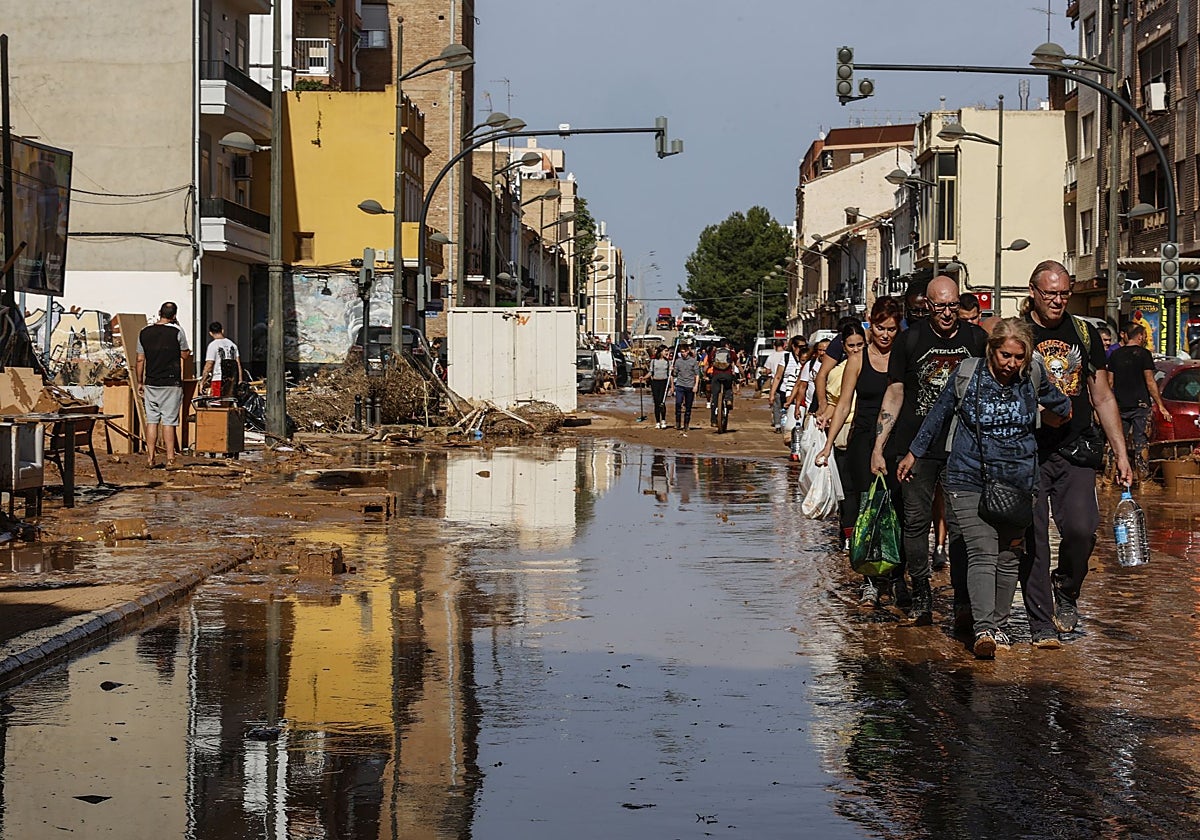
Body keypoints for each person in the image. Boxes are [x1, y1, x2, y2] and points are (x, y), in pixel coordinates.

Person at [898, 318, 1073, 657]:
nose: (1011, 364)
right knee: (982, 551)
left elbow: (1064, 407)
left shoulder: (1033, 375)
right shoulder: (968, 374)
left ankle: (1000, 624)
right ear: (991, 350)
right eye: (1005, 355)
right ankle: (984, 630)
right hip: (968, 476)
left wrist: (1053, 414)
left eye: (1018, 357)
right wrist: (913, 454)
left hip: (1019, 480)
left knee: (1009, 557)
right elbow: (938, 414)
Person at [1023, 260, 1132, 648]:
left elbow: (1102, 395)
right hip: (1028, 451)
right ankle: (1040, 623)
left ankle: (1066, 590)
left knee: (1083, 531)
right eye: (1049, 293)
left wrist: (1121, 454)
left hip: (1076, 447)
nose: (1057, 300)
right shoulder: (1018, 333)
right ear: (1033, 292)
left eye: (1063, 293)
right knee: (1032, 539)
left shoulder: (1084, 332)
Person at [871, 275, 988, 626]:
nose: (948, 313)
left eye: (953, 305)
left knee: (962, 524)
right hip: (914, 448)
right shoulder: (910, 339)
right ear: (928, 305)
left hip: (963, 449)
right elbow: (895, 392)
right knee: (916, 521)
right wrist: (879, 446)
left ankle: (963, 600)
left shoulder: (977, 339)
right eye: (940, 306)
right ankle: (921, 590)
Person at [815, 296, 904, 606]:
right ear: (871, 323)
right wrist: (828, 444)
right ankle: (869, 579)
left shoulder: (903, 356)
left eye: (891, 329)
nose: (885, 335)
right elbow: (843, 405)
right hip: (862, 441)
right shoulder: (857, 359)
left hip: (896, 442)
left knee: (896, 509)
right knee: (867, 510)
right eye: (879, 327)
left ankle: (895, 576)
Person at [818, 323, 866, 547]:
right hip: (844, 432)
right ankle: (849, 536)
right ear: (843, 347)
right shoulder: (838, 373)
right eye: (851, 346)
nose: (856, 350)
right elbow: (835, 405)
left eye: (859, 345)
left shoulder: (877, 365)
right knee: (848, 489)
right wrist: (824, 416)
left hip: (867, 431)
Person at [136, 301, 192, 469]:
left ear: (159, 312)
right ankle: (170, 459)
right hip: (171, 383)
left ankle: (150, 458)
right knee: (169, 421)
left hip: (151, 382)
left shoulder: (144, 332)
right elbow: (185, 355)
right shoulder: (177, 331)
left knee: (152, 421)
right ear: (174, 315)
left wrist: (140, 381)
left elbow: (140, 359)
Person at [1108, 323, 1171, 472]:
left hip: (1119, 406)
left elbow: (1110, 382)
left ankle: (1108, 480)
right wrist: (1160, 405)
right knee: (1141, 442)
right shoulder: (1143, 354)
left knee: (1115, 442)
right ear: (1140, 336)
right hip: (1140, 405)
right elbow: (1150, 381)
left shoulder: (1115, 355)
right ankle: (1143, 481)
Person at [199, 322, 242, 398]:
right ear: (222, 331)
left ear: (210, 333)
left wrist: (203, 381)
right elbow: (238, 363)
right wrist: (240, 379)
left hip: (218, 378)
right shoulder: (233, 345)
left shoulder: (213, 345)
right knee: (229, 404)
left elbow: (209, 364)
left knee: (217, 405)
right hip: (232, 379)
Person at [774, 336, 809, 429]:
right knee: (792, 426)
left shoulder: (810, 365)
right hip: (789, 395)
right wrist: (788, 400)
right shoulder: (788, 360)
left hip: (807, 400)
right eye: (800, 346)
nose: (803, 348)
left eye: (805, 346)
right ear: (794, 346)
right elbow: (779, 377)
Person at [787, 339, 829, 414]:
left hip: (829, 409)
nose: (822, 353)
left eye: (825, 350)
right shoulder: (810, 365)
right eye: (820, 350)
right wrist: (797, 407)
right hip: (810, 408)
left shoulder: (836, 366)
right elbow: (802, 386)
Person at [707, 339, 740, 429]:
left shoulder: (714, 352)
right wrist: (742, 375)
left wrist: (706, 374)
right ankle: (728, 399)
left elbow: (709, 364)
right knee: (728, 387)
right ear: (727, 345)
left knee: (715, 397)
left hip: (716, 376)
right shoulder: (731, 352)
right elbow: (738, 364)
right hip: (727, 375)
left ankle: (714, 421)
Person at [670, 341, 701, 431]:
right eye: (681, 352)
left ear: (688, 351)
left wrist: (696, 385)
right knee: (678, 403)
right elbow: (675, 374)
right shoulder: (678, 361)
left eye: (684, 351)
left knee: (688, 406)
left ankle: (686, 424)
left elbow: (697, 374)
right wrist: (672, 370)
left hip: (690, 386)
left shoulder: (693, 361)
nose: (683, 353)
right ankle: (678, 423)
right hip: (680, 385)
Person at [644, 346, 672, 429]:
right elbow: (651, 372)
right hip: (655, 382)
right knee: (656, 402)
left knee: (662, 402)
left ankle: (663, 420)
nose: (667, 353)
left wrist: (672, 386)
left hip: (664, 382)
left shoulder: (668, 362)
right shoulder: (654, 361)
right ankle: (657, 421)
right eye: (665, 351)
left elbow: (670, 375)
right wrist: (644, 377)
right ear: (661, 351)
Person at [763, 338, 787, 429]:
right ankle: (786, 423)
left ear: (774, 346)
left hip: (775, 383)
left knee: (776, 405)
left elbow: (767, 370)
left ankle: (777, 425)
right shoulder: (787, 355)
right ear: (784, 345)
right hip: (787, 382)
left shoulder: (771, 356)